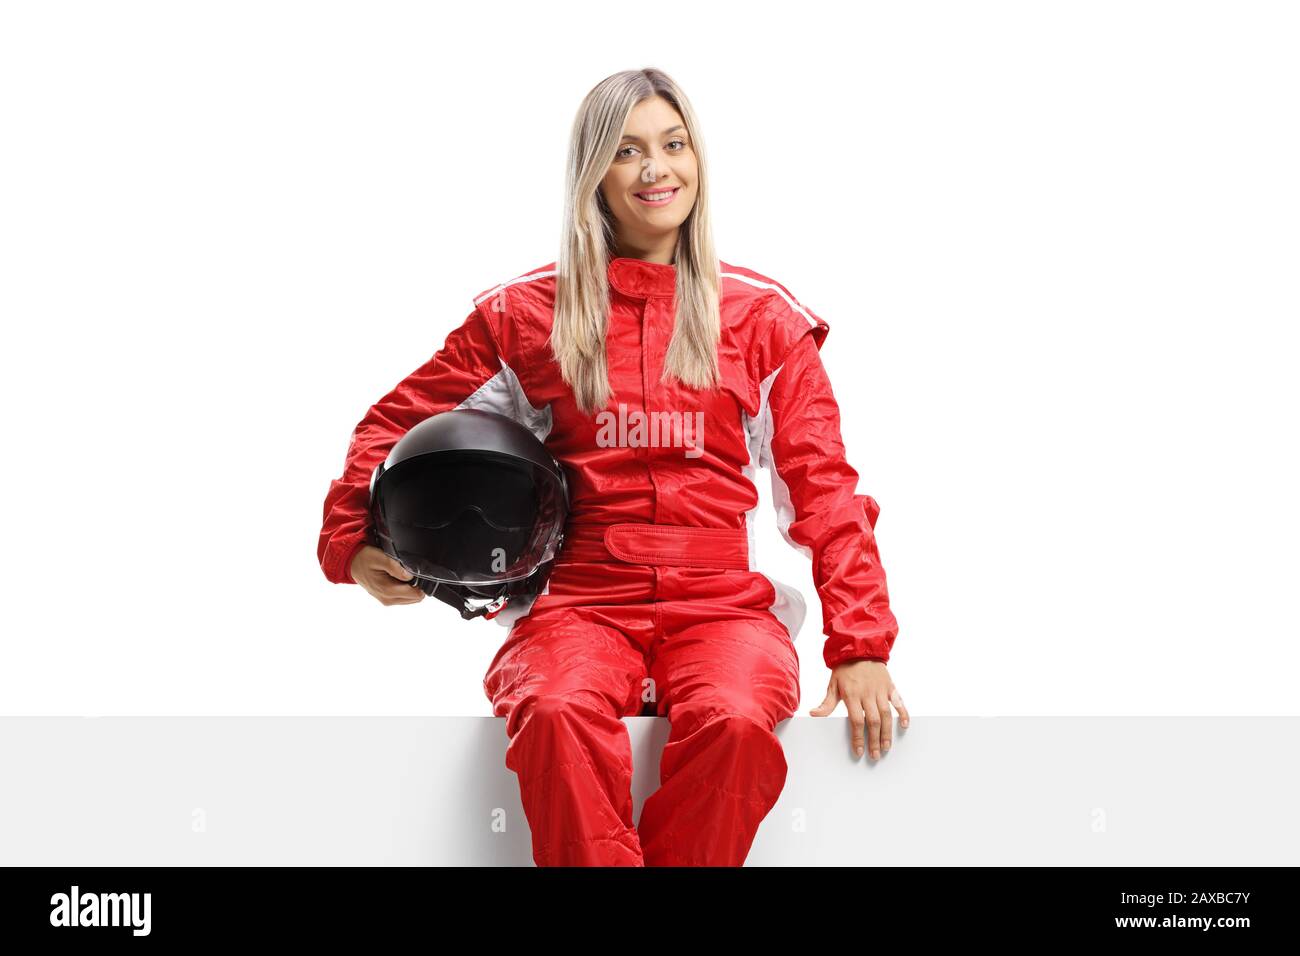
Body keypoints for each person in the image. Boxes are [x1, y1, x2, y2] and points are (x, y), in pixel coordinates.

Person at [317, 67, 909, 867]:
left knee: (735, 724)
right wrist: (352, 537)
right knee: (555, 713)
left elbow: (824, 486)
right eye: (628, 151)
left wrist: (860, 642)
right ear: (594, 171)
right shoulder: (524, 314)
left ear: (699, 159)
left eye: (674, 144)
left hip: (724, 611)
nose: (656, 169)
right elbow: (396, 422)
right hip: (577, 608)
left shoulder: (762, 316)